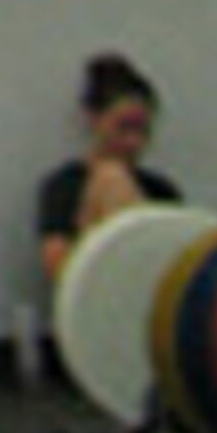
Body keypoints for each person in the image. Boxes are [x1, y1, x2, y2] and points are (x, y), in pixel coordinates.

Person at [37, 48, 175, 293]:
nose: (132, 143)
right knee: (110, 177)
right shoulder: (66, 186)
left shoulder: (160, 189)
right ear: (94, 120)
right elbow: (58, 268)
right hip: (94, 294)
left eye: (142, 131)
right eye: (123, 129)